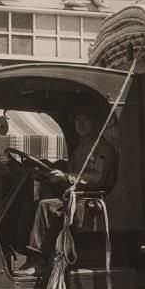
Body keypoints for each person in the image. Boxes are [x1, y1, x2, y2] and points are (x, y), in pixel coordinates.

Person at [17, 107, 118, 275]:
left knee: (45, 206)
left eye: (85, 120)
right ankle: (28, 256)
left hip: (89, 202)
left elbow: (95, 179)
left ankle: (39, 262)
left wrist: (65, 177)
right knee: (29, 207)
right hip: (75, 198)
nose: (81, 125)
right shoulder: (81, 147)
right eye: (78, 121)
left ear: (94, 123)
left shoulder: (102, 148)